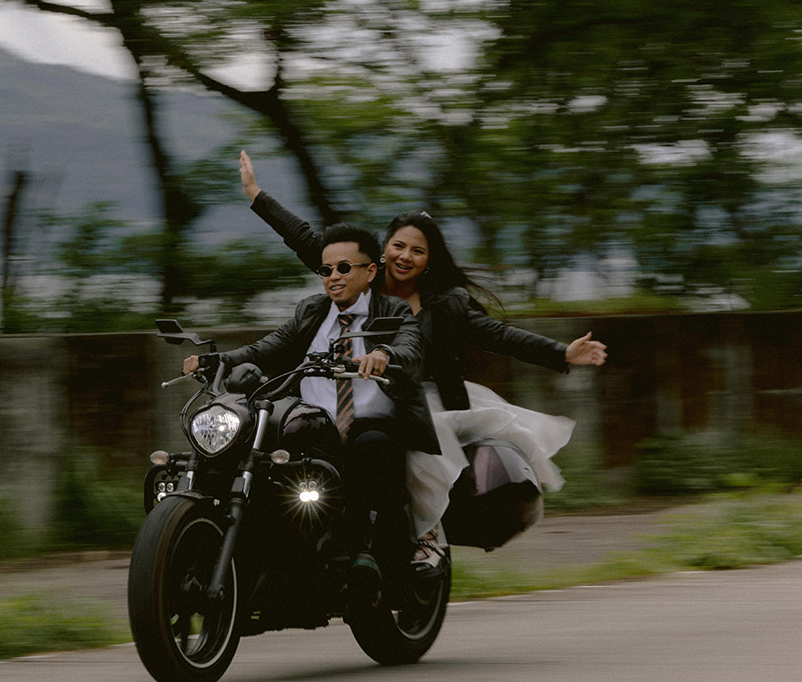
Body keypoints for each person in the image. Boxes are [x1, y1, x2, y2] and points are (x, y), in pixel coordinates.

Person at [238, 150, 608, 575]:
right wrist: (256, 194)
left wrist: (561, 352)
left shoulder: (446, 304)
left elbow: (499, 335)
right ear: (383, 250)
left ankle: (429, 535)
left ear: (429, 259)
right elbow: (305, 239)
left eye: (418, 250)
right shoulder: (359, 279)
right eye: (398, 245)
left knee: (422, 439)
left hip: (423, 395)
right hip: (355, 393)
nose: (405, 256)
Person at [182, 223, 440, 599]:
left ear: (371, 271)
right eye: (326, 269)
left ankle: (362, 551)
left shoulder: (392, 310)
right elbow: (269, 346)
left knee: (370, 445)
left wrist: (385, 354)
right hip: (313, 425)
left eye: (344, 268)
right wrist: (219, 360)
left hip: (371, 425)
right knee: (255, 455)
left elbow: (410, 345)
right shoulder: (312, 311)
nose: (333, 276)